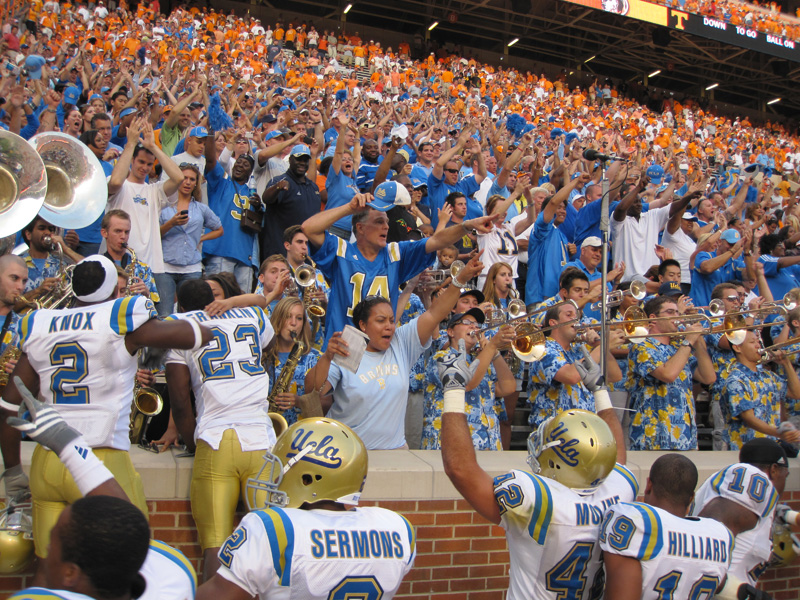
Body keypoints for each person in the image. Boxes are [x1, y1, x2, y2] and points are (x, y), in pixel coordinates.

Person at [0, 255, 212, 560]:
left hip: (47, 461)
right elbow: (195, 335)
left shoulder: (40, 322)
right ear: (115, 291)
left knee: (54, 569)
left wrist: (12, 471)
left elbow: (7, 407)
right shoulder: (121, 319)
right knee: (129, 561)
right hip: (101, 458)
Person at [440, 340, 638, 600]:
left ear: (560, 459)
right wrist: (600, 391)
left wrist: (454, 390)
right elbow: (616, 455)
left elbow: (460, 469)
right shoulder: (620, 489)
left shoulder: (538, 500)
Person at [8, 384, 197, 600]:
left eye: (53, 543)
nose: (47, 548)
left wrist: (68, 445)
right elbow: (127, 535)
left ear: (70, 573)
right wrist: (69, 447)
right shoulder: (175, 577)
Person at [195, 418, 416, 600]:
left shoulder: (274, 528)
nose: (275, 478)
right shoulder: (398, 529)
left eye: (279, 469)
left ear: (308, 479)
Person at [306, 253, 485, 449]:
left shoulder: (400, 343)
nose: (389, 326)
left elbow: (435, 313)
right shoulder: (349, 349)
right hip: (349, 454)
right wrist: (326, 358)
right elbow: (314, 390)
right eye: (381, 321)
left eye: (392, 320)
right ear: (363, 325)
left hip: (395, 451)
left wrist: (461, 279)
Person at [164, 279, 274, 581]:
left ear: (181, 304)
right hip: (262, 440)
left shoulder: (180, 323)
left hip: (216, 439)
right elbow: (262, 309)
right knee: (267, 546)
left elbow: (181, 402)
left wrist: (191, 443)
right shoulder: (250, 314)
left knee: (216, 547)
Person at [302, 184, 495, 346]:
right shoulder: (341, 250)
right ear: (360, 228)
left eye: (386, 222)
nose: (386, 227)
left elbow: (436, 241)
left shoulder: (395, 253)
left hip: (379, 351)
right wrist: (349, 208)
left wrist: (467, 225)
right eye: (379, 222)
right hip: (342, 348)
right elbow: (308, 228)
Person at [601, 454, 770, 600]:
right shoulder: (719, 536)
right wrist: (746, 593)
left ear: (649, 485)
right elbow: (716, 580)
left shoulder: (638, 522)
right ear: (691, 498)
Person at [107, 117, 185, 317]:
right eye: (140, 161)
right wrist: (131, 143)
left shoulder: (154, 190)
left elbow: (178, 178)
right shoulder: (119, 185)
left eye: (149, 164)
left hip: (152, 265)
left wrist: (153, 146)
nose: (144, 167)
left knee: (157, 319)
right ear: (132, 160)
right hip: (119, 262)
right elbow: (115, 181)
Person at [690, 438, 785, 589]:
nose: (784, 482)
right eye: (785, 475)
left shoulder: (733, 483)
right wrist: (732, 592)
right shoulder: (753, 477)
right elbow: (709, 539)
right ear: (774, 470)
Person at [626, 295, 715, 450]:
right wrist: (688, 341)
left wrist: (698, 340)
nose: (676, 317)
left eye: (677, 313)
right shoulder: (642, 345)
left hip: (684, 433)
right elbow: (668, 375)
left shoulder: (679, 347)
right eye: (670, 312)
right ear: (653, 318)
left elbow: (708, 377)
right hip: (653, 432)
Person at [421, 308, 516, 450]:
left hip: (488, 447)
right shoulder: (441, 358)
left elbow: (507, 388)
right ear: (450, 332)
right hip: (451, 449)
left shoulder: (483, 360)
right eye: (466, 322)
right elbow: (467, 383)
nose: (473, 327)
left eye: (476, 324)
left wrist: (495, 354)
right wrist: (492, 346)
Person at [528, 299, 623, 428]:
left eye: (576, 316)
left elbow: (615, 376)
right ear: (553, 323)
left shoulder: (579, 350)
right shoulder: (542, 350)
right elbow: (571, 376)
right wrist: (605, 346)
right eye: (569, 315)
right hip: (555, 432)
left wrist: (599, 345)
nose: (575, 319)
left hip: (585, 429)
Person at [158, 163, 224, 313]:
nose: (187, 182)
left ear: (196, 183)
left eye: (192, 179)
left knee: (191, 312)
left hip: (191, 266)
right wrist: (171, 223)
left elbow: (219, 229)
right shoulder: (164, 206)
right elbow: (155, 234)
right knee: (164, 312)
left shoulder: (201, 208)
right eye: (184, 178)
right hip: (166, 265)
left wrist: (201, 238)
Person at [201, 126, 259, 294]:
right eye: (238, 162)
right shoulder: (220, 184)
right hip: (220, 251)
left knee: (241, 306)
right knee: (217, 300)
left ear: (250, 172)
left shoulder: (253, 195)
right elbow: (211, 161)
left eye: (246, 164)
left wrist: (258, 207)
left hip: (246, 256)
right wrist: (212, 134)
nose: (240, 165)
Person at [721, 330, 800, 449]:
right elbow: (749, 418)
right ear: (737, 348)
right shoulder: (735, 380)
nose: (758, 345)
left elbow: (796, 393)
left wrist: (786, 363)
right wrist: (778, 433)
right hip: (745, 447)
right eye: (752, 342)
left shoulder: (769, 376)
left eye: (758, 341)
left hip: (771, 446)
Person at [263, 297, 323, 426]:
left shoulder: (316, 358)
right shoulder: (262, 357)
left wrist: (300, 401)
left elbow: (327, 403)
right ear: (278, 319)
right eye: (287, 317)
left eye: (299, 318)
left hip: (303, 434)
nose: (293, 323)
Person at [261, 144, 322, 258]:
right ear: (290, 159)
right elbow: (266, 199)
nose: (302, 163)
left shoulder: (313, 187)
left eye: (305, 160)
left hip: (305, 253)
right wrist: (277, 188)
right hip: (280, 251)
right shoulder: (280, 181)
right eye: (298, 159)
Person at [101, 209, 159, 303]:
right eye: (118, 231)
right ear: (104, 233)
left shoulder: (143, 268)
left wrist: (147, 294)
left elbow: (154, 308)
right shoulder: (98, 266)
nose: (123, 236)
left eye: (126, 232)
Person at [0, 256, 28, 383]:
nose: (20, 287)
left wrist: (20, 369)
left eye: (24, 281)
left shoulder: (23, 325)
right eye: (14, 278)